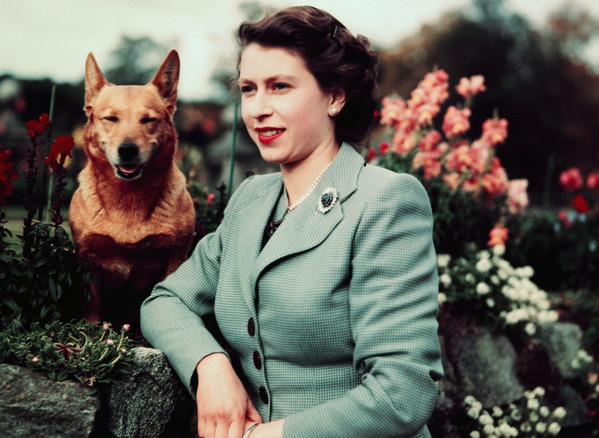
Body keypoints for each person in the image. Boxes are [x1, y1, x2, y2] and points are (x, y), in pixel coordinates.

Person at [140, 6, 443, 438]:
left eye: (280, 87)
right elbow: (164, 302)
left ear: (335, 96)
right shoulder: (251, 201)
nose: (258, 108)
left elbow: (404, 393)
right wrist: (211, 366)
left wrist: (271, 435)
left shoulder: (386, 200)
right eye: (248, 89)